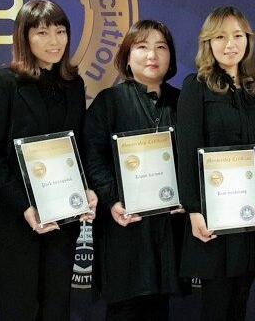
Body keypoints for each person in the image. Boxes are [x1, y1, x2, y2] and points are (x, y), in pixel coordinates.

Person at [0, 0, 97, 321]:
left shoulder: (73, 84)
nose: (54, 41)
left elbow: (78, 146)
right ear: (24, 37)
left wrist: (86, 189)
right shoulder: (3, 82)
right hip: (18, 218)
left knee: (56, 306)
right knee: (20, 308)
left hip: (62, 214)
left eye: (60, 31)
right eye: (42, 33)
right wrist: (24, 206)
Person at [175, 6, 255, 321]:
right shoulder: (196, 86)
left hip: (252, 215)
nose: (230, 44)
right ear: (208, 42)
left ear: (248, 40)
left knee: (240, 300)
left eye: (238, 35)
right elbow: (187, 150)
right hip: (214, 215)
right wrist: (194, 210)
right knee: (217, 305)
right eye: (220, 37)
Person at [82, 20, 182, 321]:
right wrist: (112, 200)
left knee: (159, 307)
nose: (152, 55)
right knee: (124, 309)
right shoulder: (109, 102)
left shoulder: (182, 102)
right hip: (124, 226)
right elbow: (93, 157)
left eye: (161, 47)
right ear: (127, 57)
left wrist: (187, 197)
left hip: (167, 227)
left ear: (171, 58)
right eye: (142, 47)